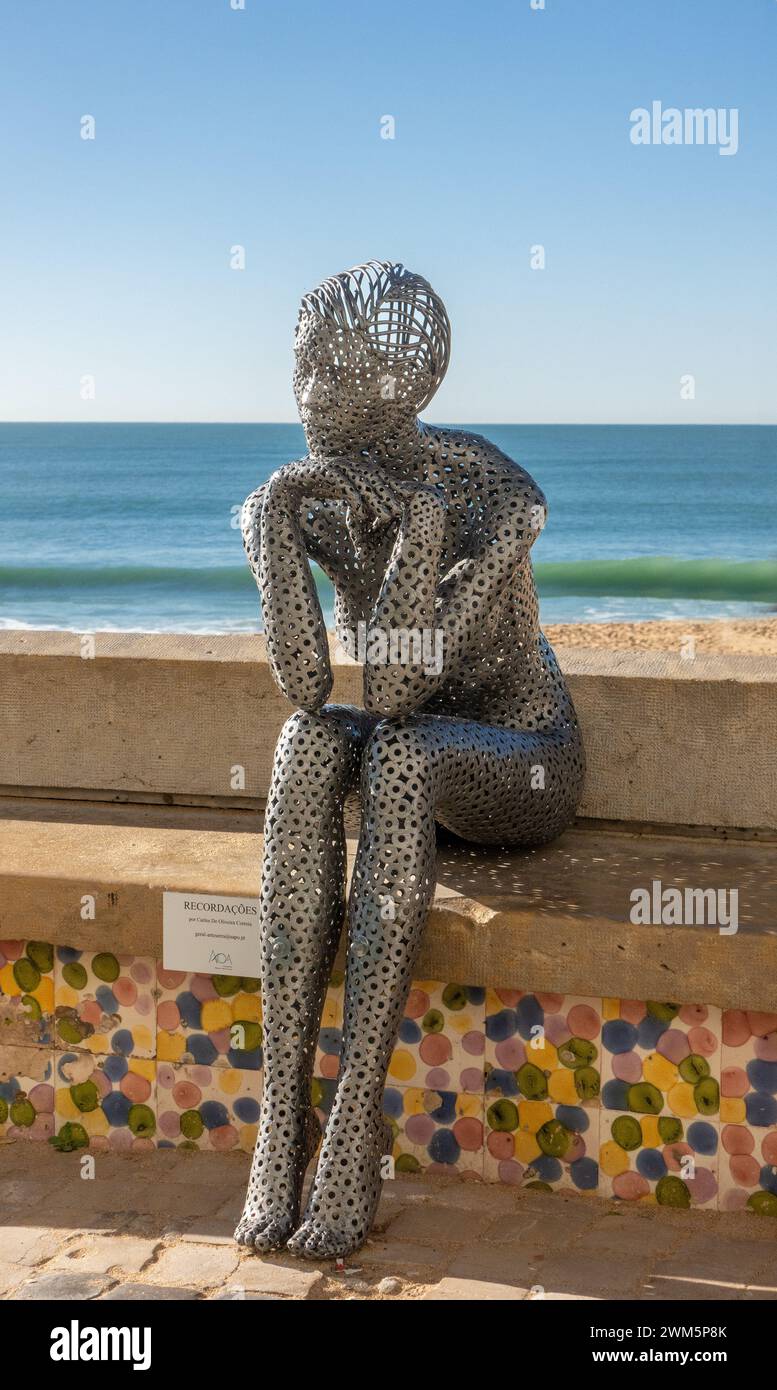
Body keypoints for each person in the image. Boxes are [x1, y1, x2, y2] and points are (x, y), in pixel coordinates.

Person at [236, 261, 584, 1258]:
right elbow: (309, 685)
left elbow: (394, 691)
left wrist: (424, 523)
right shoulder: (311, 496)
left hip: (524, 760)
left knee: (397, 752)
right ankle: (281, 1123)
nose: (297, 395)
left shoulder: (492, 493)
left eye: (311, 371)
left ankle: (354, 1120)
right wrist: (278, 519)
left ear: (371, 384)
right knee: (307, 743)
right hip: (417, 757)